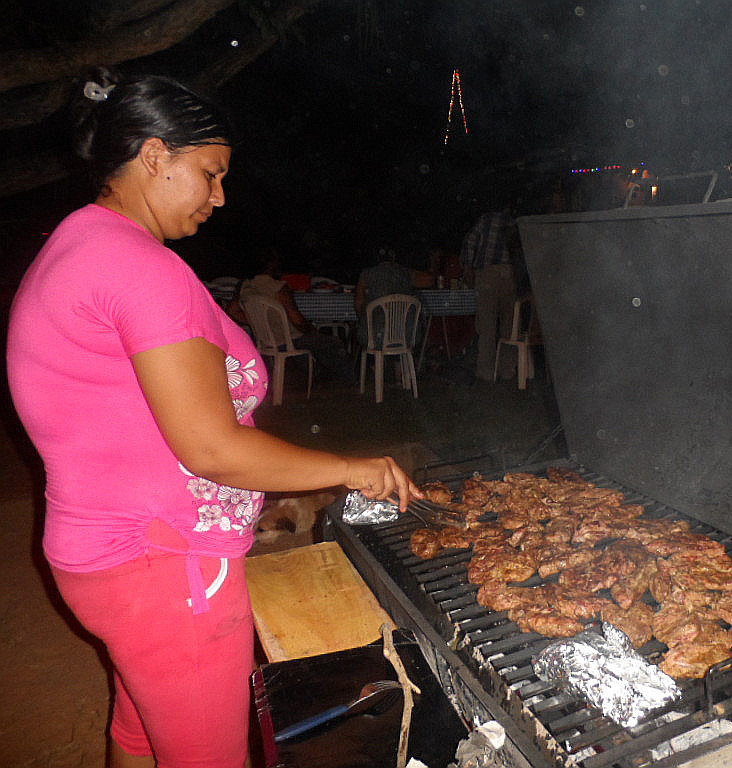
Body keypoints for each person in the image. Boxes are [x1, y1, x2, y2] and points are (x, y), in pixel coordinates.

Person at [4, 67, 422, 768]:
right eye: (210, 173)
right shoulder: (140, 268)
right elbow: (211, 449)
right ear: (154, 155)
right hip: (167, 571)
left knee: (140, 732)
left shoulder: (80, 242)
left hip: (109, 556)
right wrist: (352, 468)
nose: (220, 196)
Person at [239, 253, 356, 384]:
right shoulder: (278, 287)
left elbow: (233, 311)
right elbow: (298, 321)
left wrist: (259, 323)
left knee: (310, 343)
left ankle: (319, 375)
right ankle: (349, 380)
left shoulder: (246, 287)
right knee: (333, 342)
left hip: (265, 340)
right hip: (288, 339)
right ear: (271, 265)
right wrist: (311, 330)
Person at [459, 207, 522, 381]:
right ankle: (507, 369)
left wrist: (467, 265)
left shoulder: (486, 219)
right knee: (509, 325)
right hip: (509, 274)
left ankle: (486, 371)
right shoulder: (513, 222)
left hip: (487, 274)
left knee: (487, 325)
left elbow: (470, 241)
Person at [353, 245, 433, 348]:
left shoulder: (366, 274)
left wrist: (363, 317)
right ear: (394, 258)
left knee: (363, 330)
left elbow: (358, 302)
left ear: (376, 259)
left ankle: (374, 358)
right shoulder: (405, 273)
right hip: (406, 335)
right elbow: (429, 280)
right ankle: (401, 357)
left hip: (376, 337)